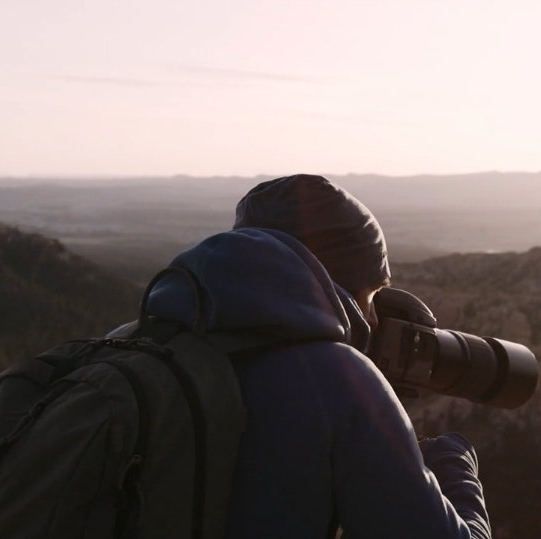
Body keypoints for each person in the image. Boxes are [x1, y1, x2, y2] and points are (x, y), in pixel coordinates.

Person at [143, 174, 490, 538]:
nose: (373, 319)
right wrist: (452, 463)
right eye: (372, 293)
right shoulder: (335, 378)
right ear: (335, 284)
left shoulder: (143, 339)